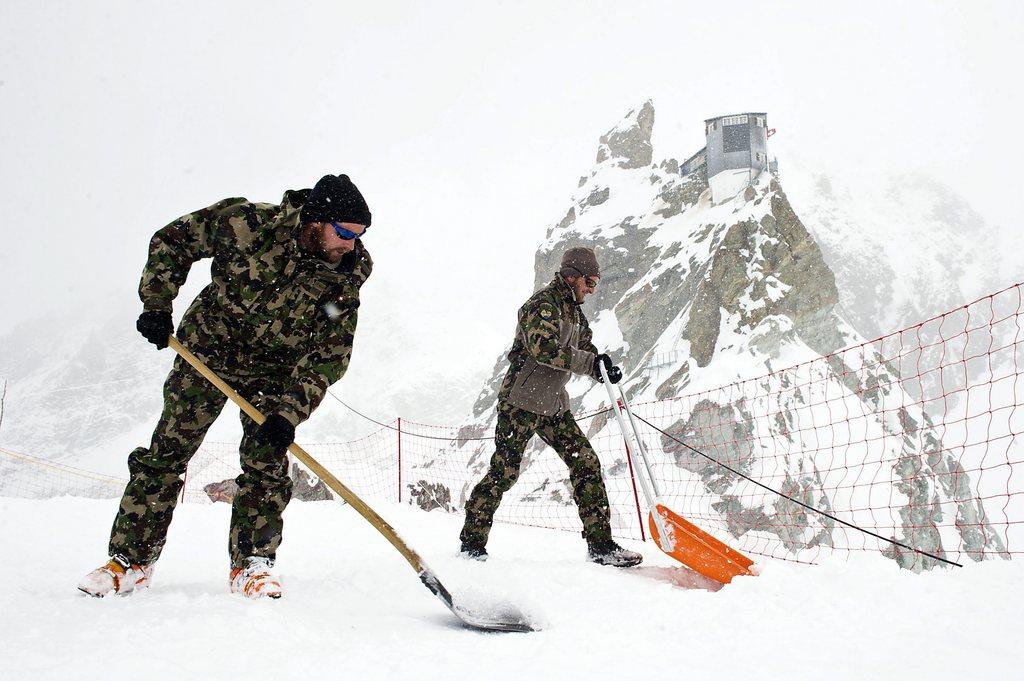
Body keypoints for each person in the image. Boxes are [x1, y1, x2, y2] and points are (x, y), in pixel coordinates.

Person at [78, 174, 373, 599]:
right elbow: (174, 240)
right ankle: (131, 561)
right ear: (315, 220)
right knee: (166, 453)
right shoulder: (246, 222)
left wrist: (288, 413)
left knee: (266, 463)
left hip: (275, 369)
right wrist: (157, 304)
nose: (351, 244)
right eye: (344, 232)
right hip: (206, 353)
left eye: (358, 236)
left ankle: (252, 564)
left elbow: (330, 352)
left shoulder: (347, 273)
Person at [459, 247, 643, 567]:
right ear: (572, 277)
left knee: (585, 461)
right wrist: (590, 361)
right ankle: (472, 543)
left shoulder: (573, 311)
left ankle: (600, 545)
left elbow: (584, 350)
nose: (592, 289)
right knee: (504, 472)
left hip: (553, 406)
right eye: (590, 281)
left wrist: (602, 368)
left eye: (596, 282)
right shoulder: (542, 306)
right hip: (520, 403)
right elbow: (545, 350)